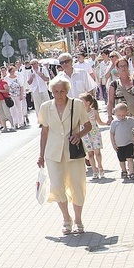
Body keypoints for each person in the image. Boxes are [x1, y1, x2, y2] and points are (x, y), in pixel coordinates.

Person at [37, 77, 92, 235]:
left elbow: (88, 125)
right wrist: (41, 155)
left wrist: (79, 134)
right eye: (55, 92)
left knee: (77, 185)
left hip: (74, 152)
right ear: (51, 92)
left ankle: (78, 219)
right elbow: (44, 131)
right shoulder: (46, 107)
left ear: (67, 91)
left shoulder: (77, 104)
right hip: (53, 153)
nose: (59, 95)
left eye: (62, 91)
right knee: (57, 186)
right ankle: (66, 219)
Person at [106, 58, 134, 174]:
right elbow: (110, 101)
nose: (123, 68)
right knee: (123, 141)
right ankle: (126, 166)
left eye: (125, 65)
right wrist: (109, 116)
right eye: (120, 66)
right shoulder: (114, 84)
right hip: (120, 117)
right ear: (117, 69)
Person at [110, 103, 134, 180]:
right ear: (115, 113)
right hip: (119, 145)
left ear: (127, 112)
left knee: (130, 159)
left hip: (129, 143)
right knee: (121, 160)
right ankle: (124, 171)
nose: (121, 117)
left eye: (123, 115)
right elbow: (112, 133)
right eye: (119, 115)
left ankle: (132, 172)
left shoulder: (129, 120)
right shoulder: (114, 123)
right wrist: (113, 144)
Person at [79, 93, 106, 179]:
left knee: (97, 153)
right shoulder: (79, 112)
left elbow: (99, 121)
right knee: (90, 154)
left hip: (95, 133)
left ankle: (100, 167)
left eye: (81, 101)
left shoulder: (94, 111)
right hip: (85, 135)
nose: (80, 103)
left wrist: (106, 123)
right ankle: (94, 171)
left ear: (87, 102)